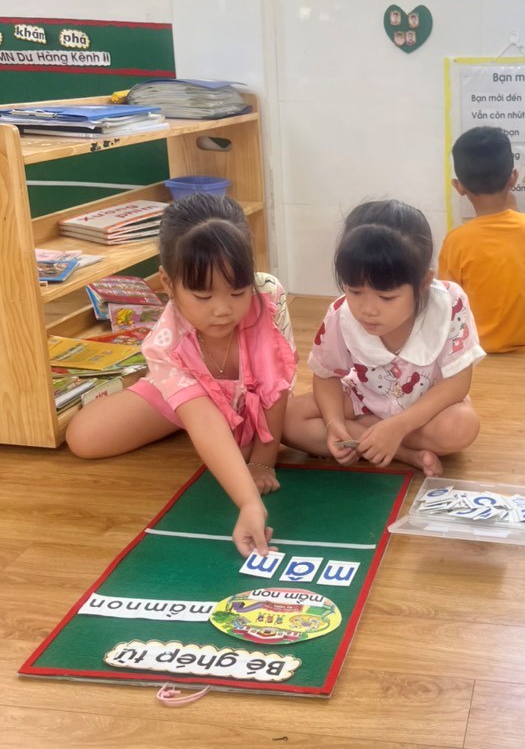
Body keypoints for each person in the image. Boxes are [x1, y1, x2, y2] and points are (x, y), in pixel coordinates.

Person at [66, 193, 297, 557]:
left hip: (249, 396)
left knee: (273, 434)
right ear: (168, 282)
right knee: (84, 437)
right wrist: (248, 502)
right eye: (203, 296)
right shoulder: (166, 343)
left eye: (237, 291)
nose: (222, 309)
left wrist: (262, 460)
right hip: (192, 400)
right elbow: (203, 421)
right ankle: (173, 398)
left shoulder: (267, 294)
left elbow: (277, 386)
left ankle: (217, 419)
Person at [284, 199, 482, 476]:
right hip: (363, 399)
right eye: (354, 291)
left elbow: (457, 383)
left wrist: (399, 426)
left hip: (425, 410)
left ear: (424, 283)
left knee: (461, 427)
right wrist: (333, 424)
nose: (368, 309)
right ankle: (404, 453)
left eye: (386, 297)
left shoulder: (449, 303)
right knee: (287, 418)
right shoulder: (341, 314)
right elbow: (326, 376)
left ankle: (373, 437)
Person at [438, 126, 525, 353]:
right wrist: (515, 211)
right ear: (513, 178)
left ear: (459, 187)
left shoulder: (455, 241)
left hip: (477, 343)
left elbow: (448, 295)